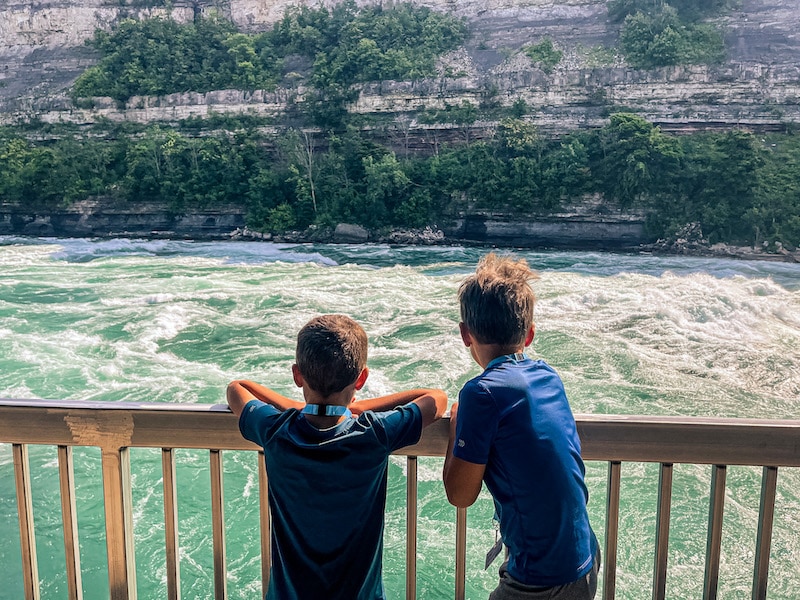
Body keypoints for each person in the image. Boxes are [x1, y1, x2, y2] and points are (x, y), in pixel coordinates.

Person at [227, 313, 447, 600]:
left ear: (297, 375)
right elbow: (436, 398)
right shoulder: (374, 434)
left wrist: (296, 406)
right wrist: (360, 407)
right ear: (361, 379)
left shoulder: (276, 430)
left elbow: (237, 389)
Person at [443, 253, 599, 600]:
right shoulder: (548, 375)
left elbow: (460, 494)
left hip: (540, 575)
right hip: (583, 555)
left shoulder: (481, 392)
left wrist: (457, 425)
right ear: (529, 335)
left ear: (465, 334)